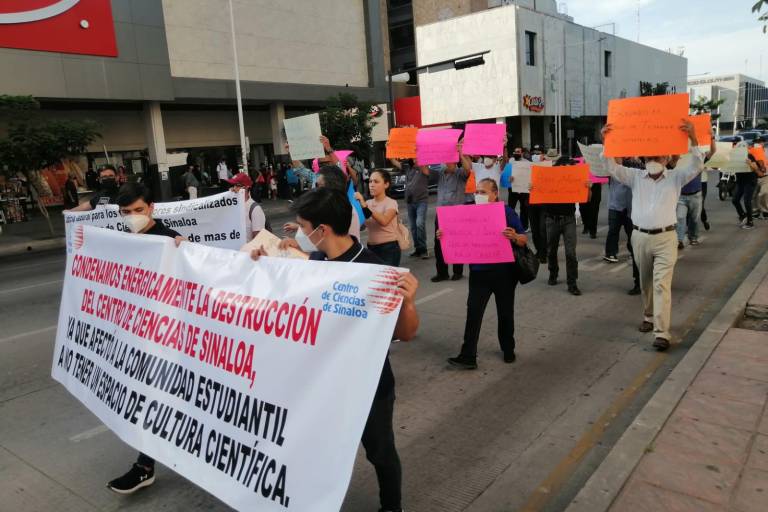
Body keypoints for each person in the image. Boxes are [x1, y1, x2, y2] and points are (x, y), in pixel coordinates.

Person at [252, 187, 419, 512]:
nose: (299, 232)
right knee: (320, 453)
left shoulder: (374, 272)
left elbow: (406, 334)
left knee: (380, 452)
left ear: (322, 230)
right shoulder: (316, 261)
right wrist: (264, 262)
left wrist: (408, 303)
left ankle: (392, 506)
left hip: (369, 387)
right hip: (323, 385)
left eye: (302, 226)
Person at [106, 182, 185, 494]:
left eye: (138, 210)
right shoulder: (126, 240)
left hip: (165, 337)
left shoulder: (169, 240)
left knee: (158, 401)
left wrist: (185, 250)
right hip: (137, 334)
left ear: (151, 208)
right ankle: (146, 464)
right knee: (149, 402)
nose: (132, 217)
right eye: (126, 212)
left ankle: (144, 466)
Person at [601, 119, 704, 351]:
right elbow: (611, 168)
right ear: (642, 159)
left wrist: (694, 138)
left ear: (667, 158)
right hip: (639, 238)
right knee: (646, 283)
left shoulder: (677, 177)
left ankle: (662, 332)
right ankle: (648, 316)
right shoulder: (635, 177)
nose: (653, 161)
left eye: (658, 157)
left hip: (666, 239)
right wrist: (606, 141)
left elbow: (697, 165)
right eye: (649, 157)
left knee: (661, 285)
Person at [444, 178, 527, 370]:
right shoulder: (468, 211)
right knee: (473, 313)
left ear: (495, 194)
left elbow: (523, 239)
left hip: (504, 273)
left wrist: (514, 236)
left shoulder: (506, 212)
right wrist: (444, 235)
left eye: (483, 192)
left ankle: (508, 349)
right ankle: (468, 355)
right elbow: (453, 232)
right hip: (478, 273)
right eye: (476, 192)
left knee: (505, 313)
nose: (478, 195)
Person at [535, 157, 591, 296]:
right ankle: (553, 273)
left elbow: (587, 199)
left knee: (570, 253)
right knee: (551, 250)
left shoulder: (574, 179)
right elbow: (537, 195)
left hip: (569, 220)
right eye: (565, 167)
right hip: (552, 219)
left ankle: (572, 283)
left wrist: (588, 188)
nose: (567, 170)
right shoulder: (549, 179)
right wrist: (532, 188)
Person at [283, 165, 360, 240]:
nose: (314, 189)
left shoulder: (338, 211)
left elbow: (322, 242)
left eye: (317, 185)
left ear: (329, 189)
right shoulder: (336, 207)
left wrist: (297, 245)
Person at [603, 159, 642, 296]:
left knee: (634, 244)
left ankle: (638, 282)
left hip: (632, 210)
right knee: (613, 231)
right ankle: (611, 252)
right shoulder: (612, 168)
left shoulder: (635, 166)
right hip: (615, 207)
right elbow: (601, 171)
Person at [431, 158, 469, 282]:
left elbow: (468, 169)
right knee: (439, 243)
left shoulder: (460, 173)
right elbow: (425, 171)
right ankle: (442, 273)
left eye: (450, 161)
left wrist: (461, 153)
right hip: (441, 213)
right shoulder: (440, 173)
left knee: (457, 242)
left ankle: (457, 271)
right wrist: (419, 154)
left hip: (457, 212)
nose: (447, 163)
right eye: (445, 160)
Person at [354, 170, 401, 266]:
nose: (371, 185)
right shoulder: (368, 203)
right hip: (371, 248)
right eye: (370, 181)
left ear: (386, 184)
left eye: (376, 181)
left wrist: (365, 206)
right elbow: (362, 226)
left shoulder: (391, 203)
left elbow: (384, 221)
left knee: (388, 280)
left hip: (389, 248)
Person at [390, 158, 429, 259]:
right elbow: (394, 162)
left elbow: (426, 171)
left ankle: (424, 250)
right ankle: (418, 249)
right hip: (410, 202)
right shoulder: (408, 168)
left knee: (419, 223)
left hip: (421, 201)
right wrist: (389, 152)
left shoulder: (423, 167)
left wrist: (419, 160)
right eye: (413, 157)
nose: (414, 159)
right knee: (413, 227)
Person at [226, 173, 267, 240]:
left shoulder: (255, 209)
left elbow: (258, 240)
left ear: (246, 187)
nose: (233, 188)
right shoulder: (230, 206)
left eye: (237, 185)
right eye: (232, 185)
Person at [504, 148, 530, 231]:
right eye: (515, 151)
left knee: (524, 209)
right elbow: (506, 173)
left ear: (522, 153)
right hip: (512, 189)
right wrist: (509, 178)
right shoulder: (511, 161)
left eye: (518, 152)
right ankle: (510, 225)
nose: (516, 153)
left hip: (523, 190)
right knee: (511, 208)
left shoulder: (527, 163)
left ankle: (524, 226)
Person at [733, 153, 761, 229]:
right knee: (735, 200)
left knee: (747, 201)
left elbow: (756, 168)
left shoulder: (749, 156)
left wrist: (750, 163)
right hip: (740, 181)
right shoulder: (732, 157)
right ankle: (743, 216)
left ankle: (750, 222)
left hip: (750, 181)